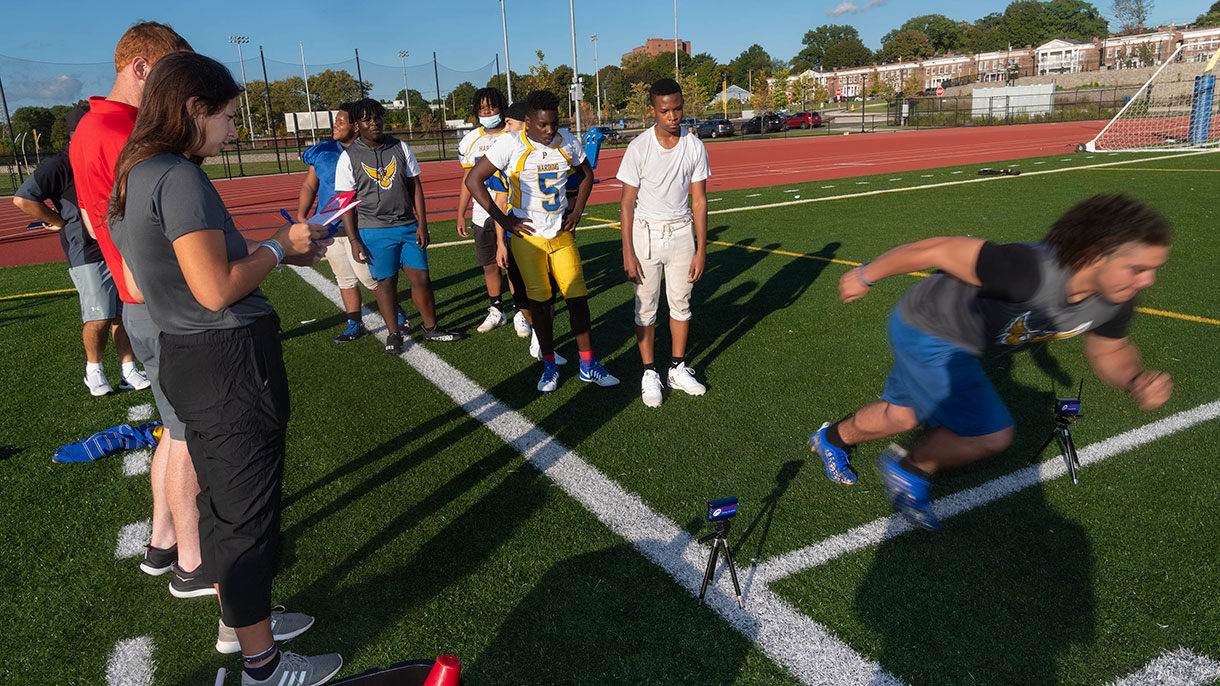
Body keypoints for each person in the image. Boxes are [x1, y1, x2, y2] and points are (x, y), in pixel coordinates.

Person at [108, 51, 341, 686]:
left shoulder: (133, 173)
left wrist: (276, 257)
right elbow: (214, 290)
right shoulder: (177, 177)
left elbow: (137, 277)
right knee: (247, 518)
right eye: (229, 117)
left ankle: (239, 623)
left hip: (188, 355)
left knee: (222, 505)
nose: (234, 130)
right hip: (229, 359)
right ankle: (264, 666)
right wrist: (278, 246)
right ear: (193, 110)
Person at [812, 194, 1173, 530]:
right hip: (930, 329)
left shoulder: (1117, 298)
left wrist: (1134, 379)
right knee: (992, 435)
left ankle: (830, 439)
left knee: (903, 415)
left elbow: (1109, 350)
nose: (1149, 280)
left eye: (1153, 269)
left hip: (958, 338)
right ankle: (908, 468)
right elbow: (938, 249)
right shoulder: (1027, 271)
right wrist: (865, 275)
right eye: (1137, 268)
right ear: (1097, 254)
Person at [67, 21, 207, 596]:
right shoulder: (121, 130)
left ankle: (163, 542)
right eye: (172, 74)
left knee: (175, 431)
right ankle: (195, 562)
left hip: (141, 299)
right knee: (191, 433)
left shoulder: (96, 125)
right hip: (159, 300)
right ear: (142, 68)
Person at [465, 90, 618, 393]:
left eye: (554, 123)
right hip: (528, 237)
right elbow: (474, 180)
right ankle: (549, 364)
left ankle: (588, 364)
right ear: (528, 122)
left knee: (577, 298)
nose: (549, 131)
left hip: (560, 235)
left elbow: (586, 175)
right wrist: (504, 219)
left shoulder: (568, 140)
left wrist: (577, 211)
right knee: (542, 304)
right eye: (543, 125)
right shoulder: (510, 143)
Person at [12, 105, 150, 396]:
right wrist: (59, 222)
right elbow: (24, 199)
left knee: (123, 312)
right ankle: (94, 371)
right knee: (98, 315)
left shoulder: (100, 155)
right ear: (77, 133)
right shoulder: (60, 163)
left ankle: (128, 370)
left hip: (115, 242)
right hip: (85, 250)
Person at [335, 98, 466, 353]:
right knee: (386, 282)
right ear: (356, 125)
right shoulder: (348, 157)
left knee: (422, 278)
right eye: (366, 119)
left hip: (407, 225)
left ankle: (431, 328)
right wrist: (353, 239)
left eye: (377, 117)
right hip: (373, 230)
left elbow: (415, 186)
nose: (374, 123)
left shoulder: (400, 147)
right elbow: (346, 203)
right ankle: (394, 333)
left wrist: (422, 224)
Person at [617, 78, 710, 408]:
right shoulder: (639, 148)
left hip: (682, 233)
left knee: (681, 303)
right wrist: (628, 251)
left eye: (678, 108)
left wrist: (701, 248)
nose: (672, 116)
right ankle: (649, 372)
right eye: (665, 110)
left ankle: (677, 368)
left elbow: (699, 200)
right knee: (646, 306)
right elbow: (627, 202)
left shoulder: (695, 146)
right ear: (652, 110)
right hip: (646, 234)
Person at [296, 102, 382, 344]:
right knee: (344, 278)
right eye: (336, 121)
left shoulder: (370, 148)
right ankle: (355, 324)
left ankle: (395, 314)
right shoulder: (323, 150)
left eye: (341, 122)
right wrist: (302, 216)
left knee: (368, 277)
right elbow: (310, 185)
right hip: (330, 225)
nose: (335, 125)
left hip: (362, 224)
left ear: (355, 127)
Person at [454, 87, 532, 337]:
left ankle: (520, 311)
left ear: (502, 107)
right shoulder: (470, 141)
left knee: (513, 264)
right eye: (482, 109)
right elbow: (469, 178)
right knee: (489, 263)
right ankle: (496, 309)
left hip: (514, 209)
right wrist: (460, 212)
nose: (488, 113)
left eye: (492, 107)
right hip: (483, 211)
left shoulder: (516, 134)